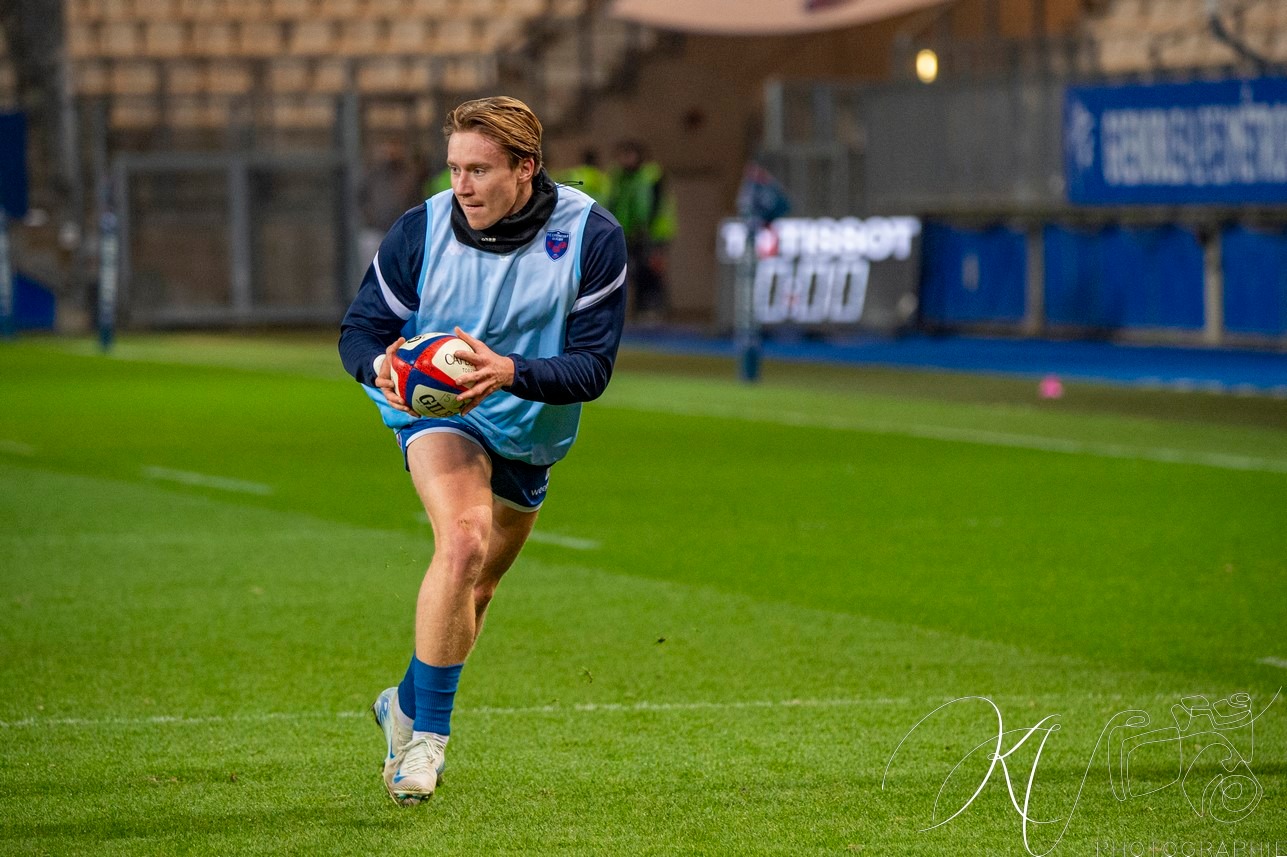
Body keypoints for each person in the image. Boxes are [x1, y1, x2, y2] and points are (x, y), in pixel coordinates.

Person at [338, 96, 628, 806]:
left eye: (478, 170)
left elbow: (592, 369)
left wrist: (508, 372)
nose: (460, 186)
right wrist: (378, 367)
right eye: (453, 168)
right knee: (463, 539)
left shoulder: (590, 235)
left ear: (525, 167)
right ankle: (425, 741)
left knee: (480, 588)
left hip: (531, 421)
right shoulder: (421, 230)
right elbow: (359, 330)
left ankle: (404, 702)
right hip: (436, 414)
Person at [606, 140, 676, 323]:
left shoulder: (651, 175)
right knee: (633, 270)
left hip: (653, 232)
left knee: (652, 270)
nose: (624, 160)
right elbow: (616, 203)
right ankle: (638, 309)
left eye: (628, 155)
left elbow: (655, 203)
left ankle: (653, 308)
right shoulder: (620, 177)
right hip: (629, 232)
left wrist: (646, 227)